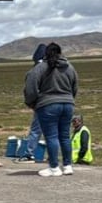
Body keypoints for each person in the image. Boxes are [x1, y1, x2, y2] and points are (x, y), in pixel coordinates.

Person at [24, 43, 78, 177]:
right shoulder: (69, 67)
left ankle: (54, 167)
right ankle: (67, 165)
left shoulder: (41, 68)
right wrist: (69, 99)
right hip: (68, 104)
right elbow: (75, 86)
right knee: (65, 136)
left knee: (51, 136)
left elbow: (31, 88)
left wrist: (32, 103)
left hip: (48, 105)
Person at [16, 43, 48, 162]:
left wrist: (32, 104)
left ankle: (29, 153)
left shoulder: (35, 71)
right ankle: (56, 156)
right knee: (54, 130)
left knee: (36, 130)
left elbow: (30, 90)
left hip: (42, 104)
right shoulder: (57, 68)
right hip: (59, 103)